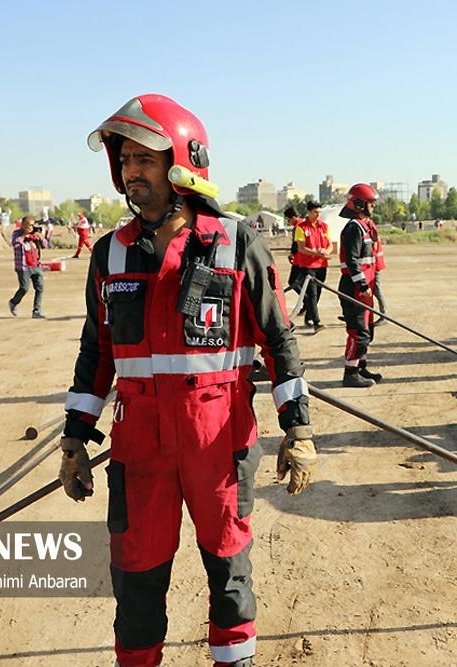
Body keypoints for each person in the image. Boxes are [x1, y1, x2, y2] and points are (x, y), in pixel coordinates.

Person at [58, 94, 315, 667]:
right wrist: (74, 436)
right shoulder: (110, 254)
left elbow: (278, 339)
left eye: (145, 159)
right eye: (125, 160)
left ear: (182, 162)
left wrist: (298, 428)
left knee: (228, 571)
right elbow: (96, 352)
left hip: (218, 441)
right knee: (136, 577)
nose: (132, 172)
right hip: (139, 446)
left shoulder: (235, 241)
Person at [338, 183, 383, 387]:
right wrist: (363, 285)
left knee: (367, 330)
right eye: (370, 203)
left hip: (365, 288)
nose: (373, 207)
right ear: (358, 204)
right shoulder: (353, 228)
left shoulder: (365, 225)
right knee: (359, 333)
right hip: (354, 287)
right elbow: (352, 260)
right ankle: (350, 373)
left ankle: (360, 367)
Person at [291, 201, 331, 330]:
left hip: (322, 266)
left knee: (317, 293)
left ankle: (309, 316)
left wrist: (326, 251)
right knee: (312, 294)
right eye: (315, 212)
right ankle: (316, 322)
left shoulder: (324, 226)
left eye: (319, 212)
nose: (318, 215)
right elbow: (301, 248)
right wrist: (316, 253)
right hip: (308, 266)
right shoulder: (301, 228)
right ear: (308, 212)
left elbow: (330, 244)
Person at [8, 216, 45, 318]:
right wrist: (25, 235)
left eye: (33, 225)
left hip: (35, 265)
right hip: (23, 267)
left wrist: (41, 238)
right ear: (23, 225)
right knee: (24, 288)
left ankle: (36, 311)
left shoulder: (34, 234)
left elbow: (45, 245)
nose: (31, 227)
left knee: (40, 288)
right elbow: (15, 243)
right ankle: (13, 302)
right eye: (30, 225)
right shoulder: (17, 233)